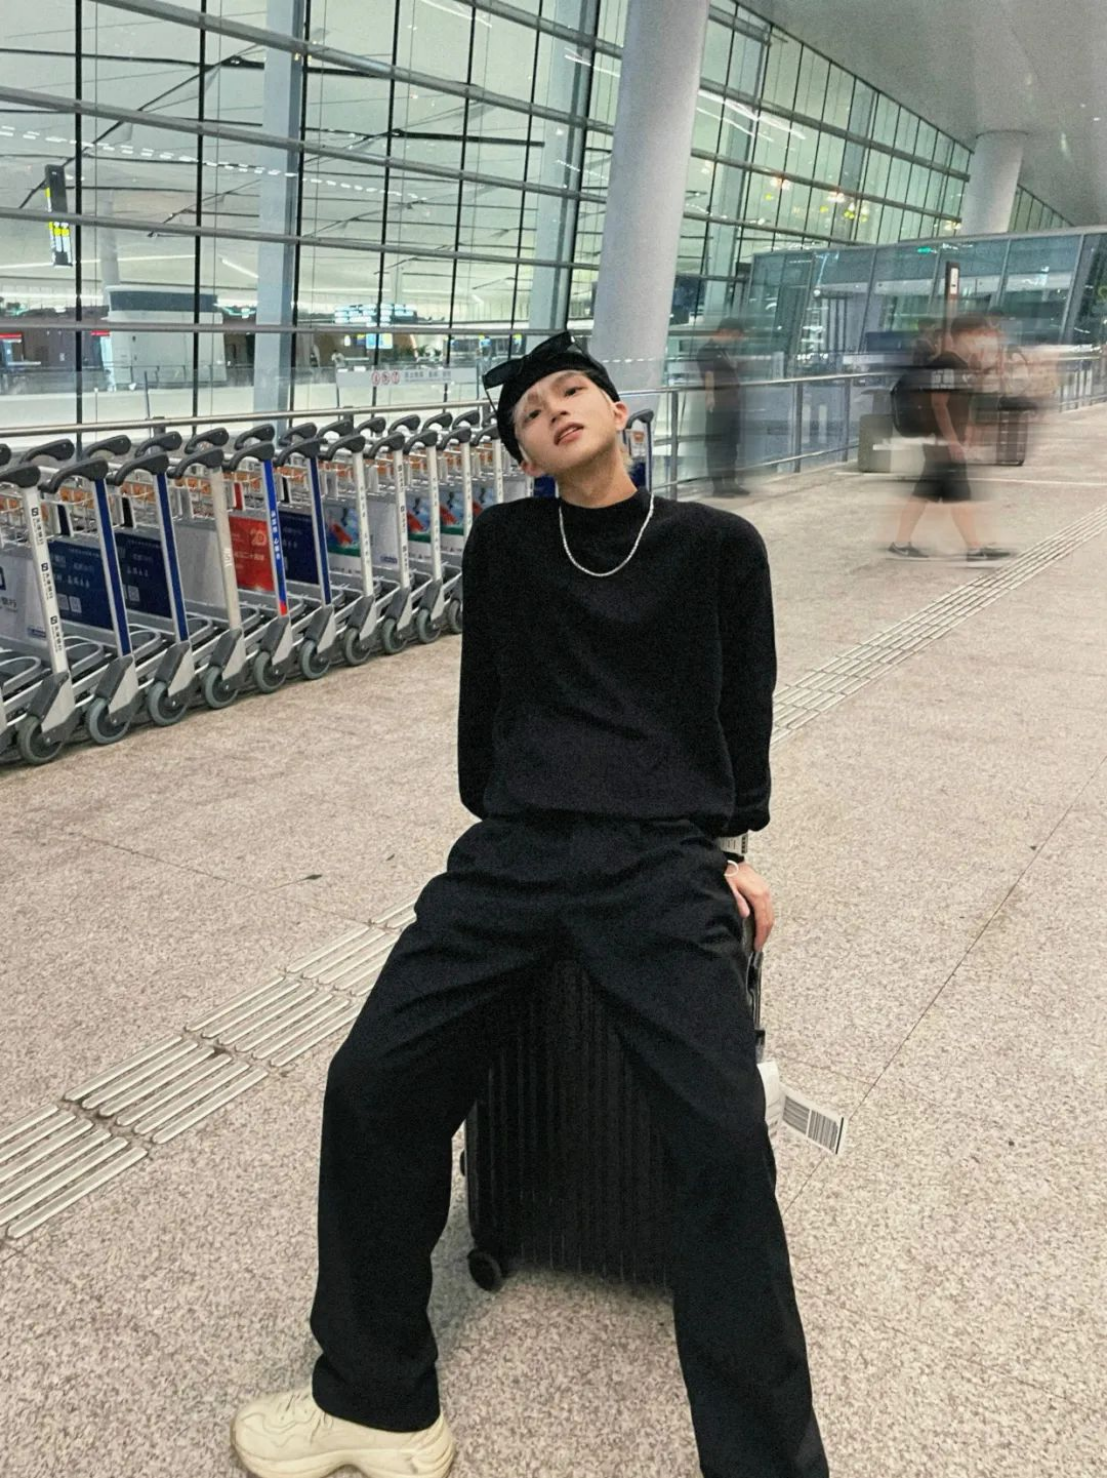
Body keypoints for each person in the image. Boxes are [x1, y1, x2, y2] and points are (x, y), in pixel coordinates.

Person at [231, 330, 830, 1478]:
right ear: (524, 457)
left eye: (571, 390)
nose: (553, 408)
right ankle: (376, 1401)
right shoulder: (506, 543)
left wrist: (728, 849)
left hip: (660, 861)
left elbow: (739, 710)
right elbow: (486, 706)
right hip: (516, 850)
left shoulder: (716, 545)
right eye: (529, 413)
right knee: (374, 1081)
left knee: (721, 1137)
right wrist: (507, 814)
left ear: (618, 412)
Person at [888, 313, 1014, 562]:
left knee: (927, 492)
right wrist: (952, 440)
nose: (983, 341)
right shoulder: (947, 363)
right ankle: (974, 548)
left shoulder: (959, 364)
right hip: (942, 442)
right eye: (980, 335)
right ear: (966, 335)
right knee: (959, 493)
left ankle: (902, 542)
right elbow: (939, 404)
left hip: (942, 441)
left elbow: (961, 402)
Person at [698, 317, 751, 497]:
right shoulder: (708, 351)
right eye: (734, 336)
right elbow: (708, 375)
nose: (734, 340)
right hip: (719, 405)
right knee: (717, 446)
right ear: (725, 331)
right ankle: (718, 485)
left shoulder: (723, 351)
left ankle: (730, 481)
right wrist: (710, 397)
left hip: (731, 403)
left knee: (731, 444)